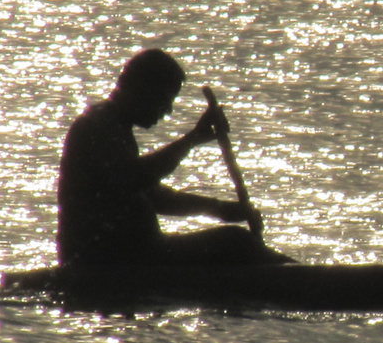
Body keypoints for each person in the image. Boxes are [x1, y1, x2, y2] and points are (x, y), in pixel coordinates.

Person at [56, 48, 289, 268]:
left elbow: (154, 196)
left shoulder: (116, 128)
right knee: (234, 242)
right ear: (143, 90)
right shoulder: (96, 126)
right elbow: (134, 177)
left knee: (236, 242)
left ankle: (297, 270)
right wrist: (193, 138)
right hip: (107, 260)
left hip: (132, 254)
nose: (167, 110)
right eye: (165, 99)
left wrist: (222, 209)